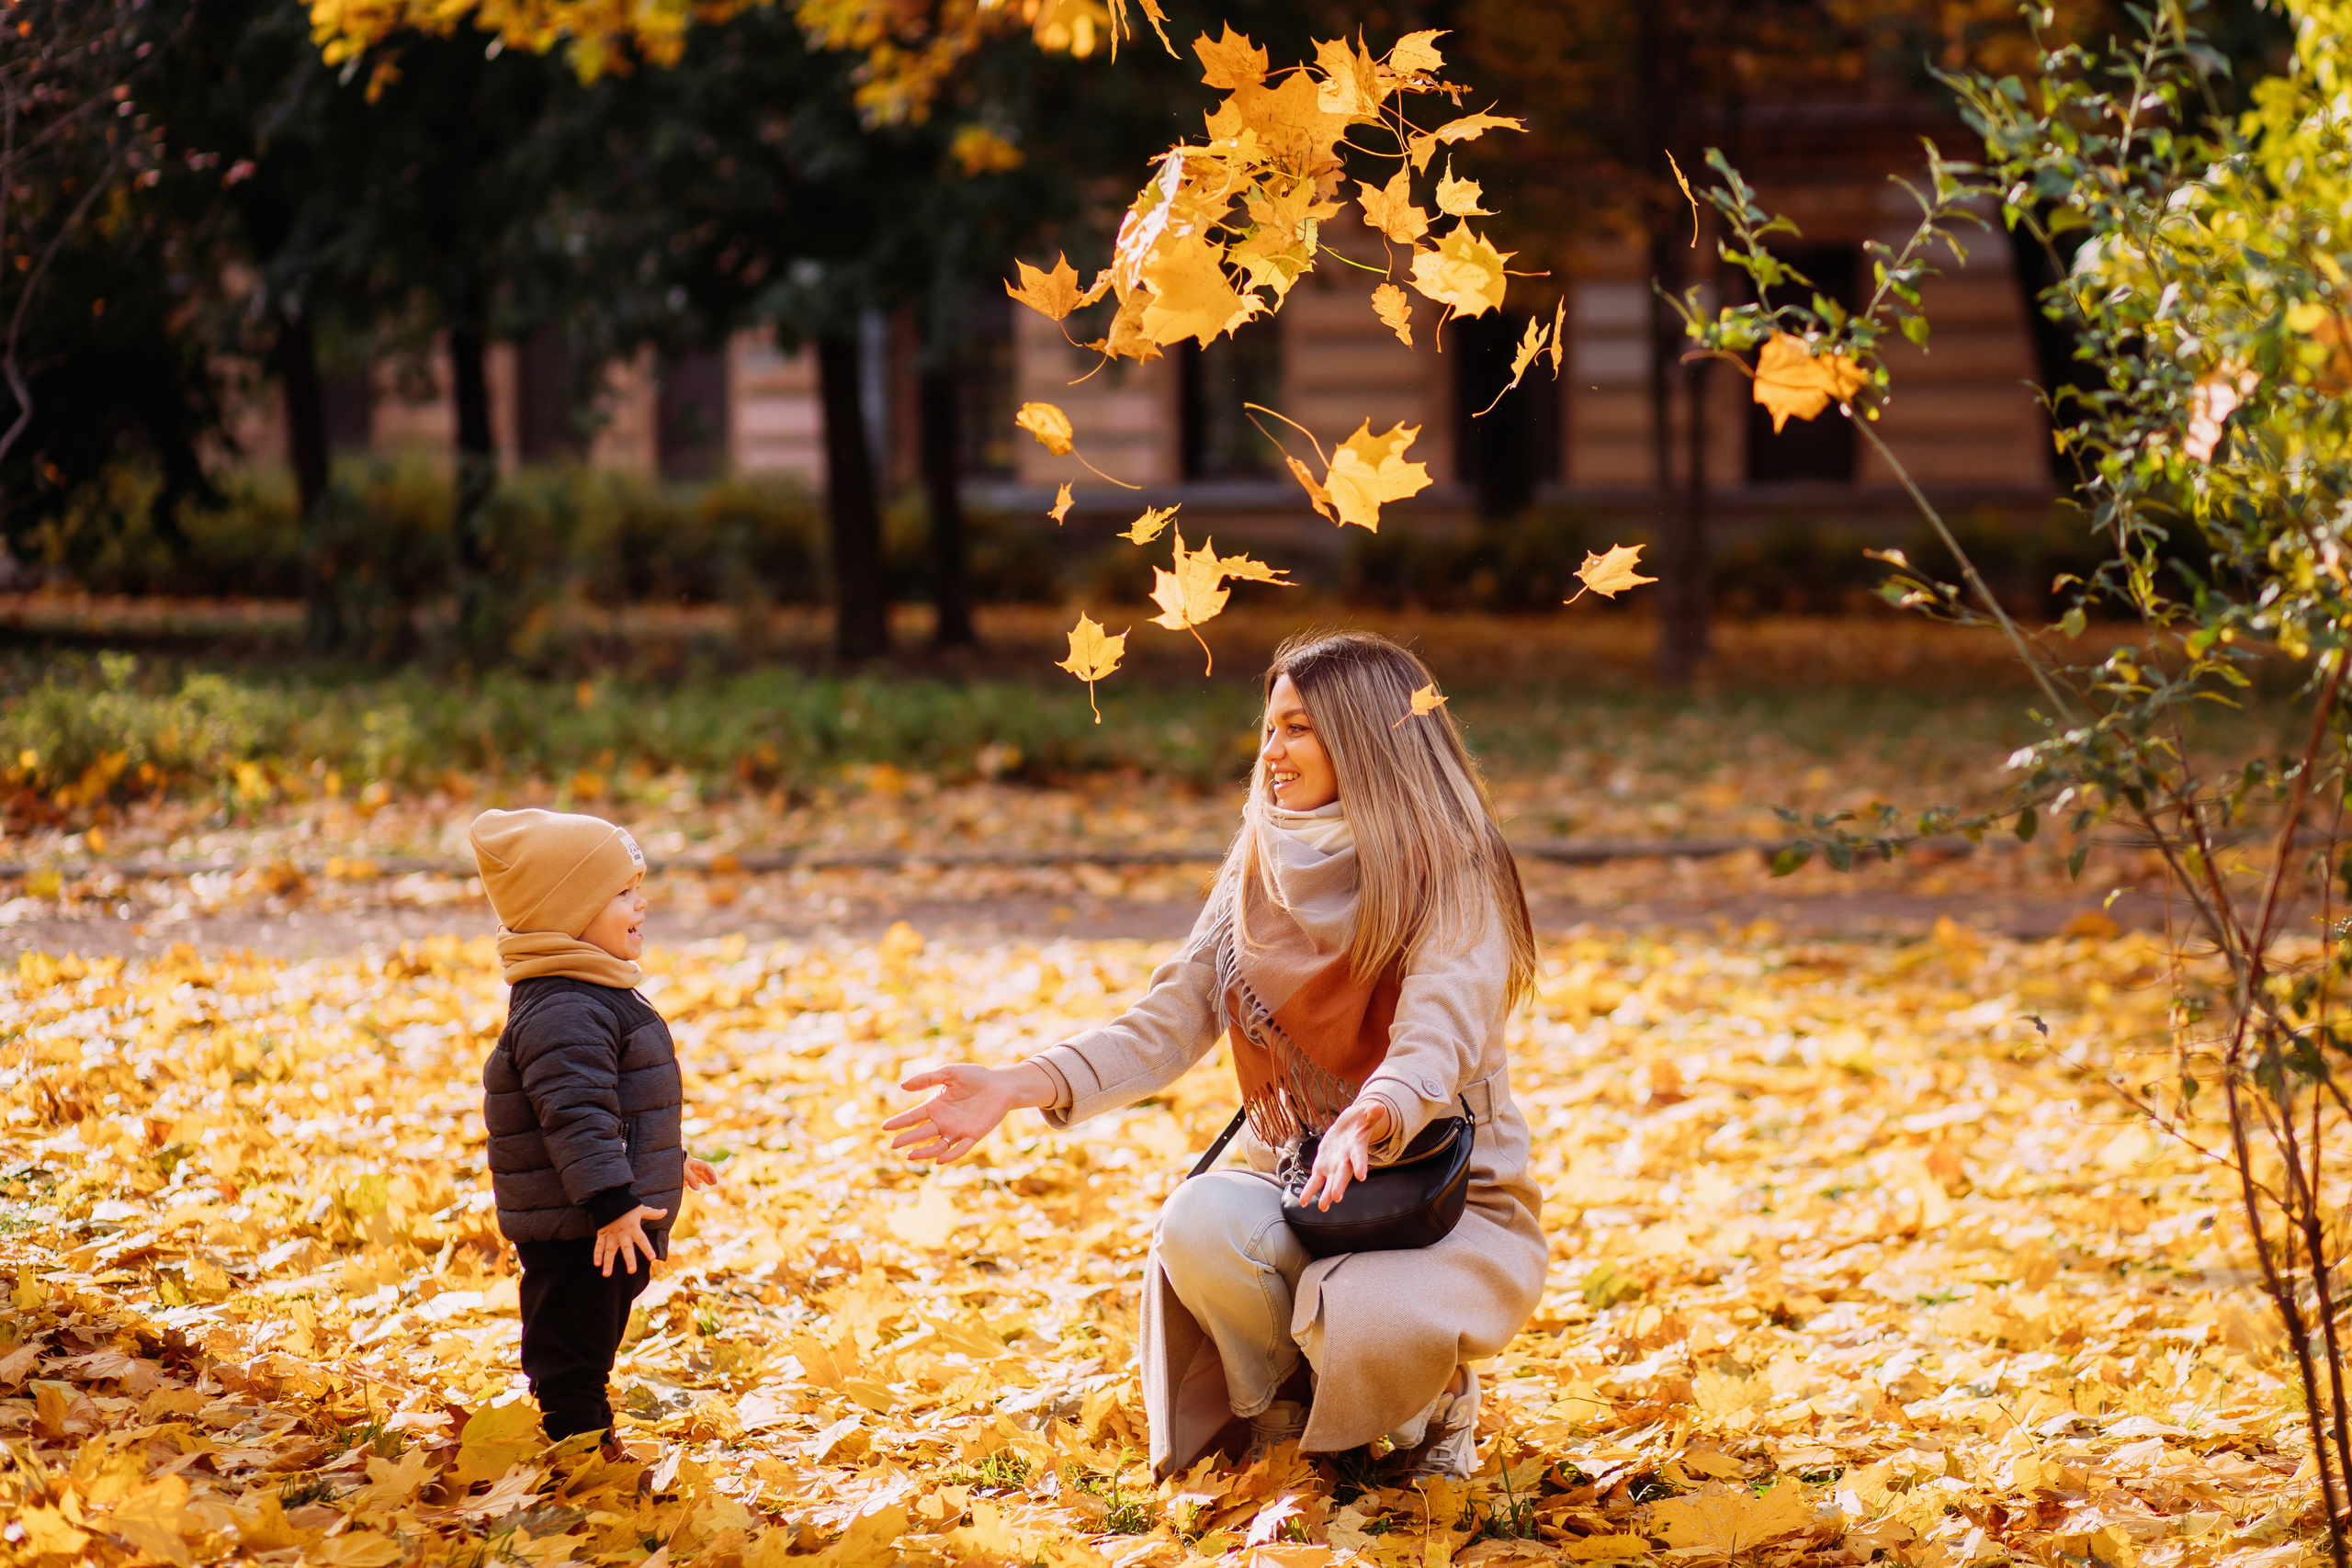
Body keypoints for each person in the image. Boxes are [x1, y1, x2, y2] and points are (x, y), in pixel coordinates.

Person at [882, 631, 1545, 1480]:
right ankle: (1281, 1413)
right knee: (1196, 1224)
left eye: (1298, 728)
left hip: (1440, 1183)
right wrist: (1018, 1084)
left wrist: (1372, 1111)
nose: (1272, 752)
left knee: (1360, 1308)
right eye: (1269, 728)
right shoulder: (1258, 862)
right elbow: (1167, 1018)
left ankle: (1435, 1407)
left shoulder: (1456, 867)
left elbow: (1439, 1032)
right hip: (1301, 1172)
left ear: (1368, 736)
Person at [470, 807, 718, 1459]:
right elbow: (574, 1114)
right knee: (572, 1347)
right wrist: (611, 1201)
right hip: (581, 1220)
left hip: (600, 1214)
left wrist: (668, 1157)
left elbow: (614, 1105)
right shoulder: (564, 1007)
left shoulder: (590, 992)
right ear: (567, 910)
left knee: (591, 1331)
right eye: (621, 892)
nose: (642, 903)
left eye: (638, 887)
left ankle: (582, 1434)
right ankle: (578, 1453)